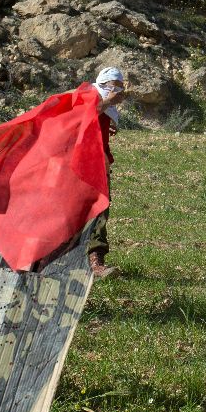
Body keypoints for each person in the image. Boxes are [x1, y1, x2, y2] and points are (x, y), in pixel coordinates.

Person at [87, 66, 127, 279]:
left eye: (120, 88)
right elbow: (82, 116)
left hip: (98, 164)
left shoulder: (105, 105)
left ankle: (96, 261)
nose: (116, 92)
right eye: (113, 87)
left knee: (100, 210)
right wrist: (108, 102)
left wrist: (108, 122)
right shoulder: (89, 97)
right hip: (82, 166)